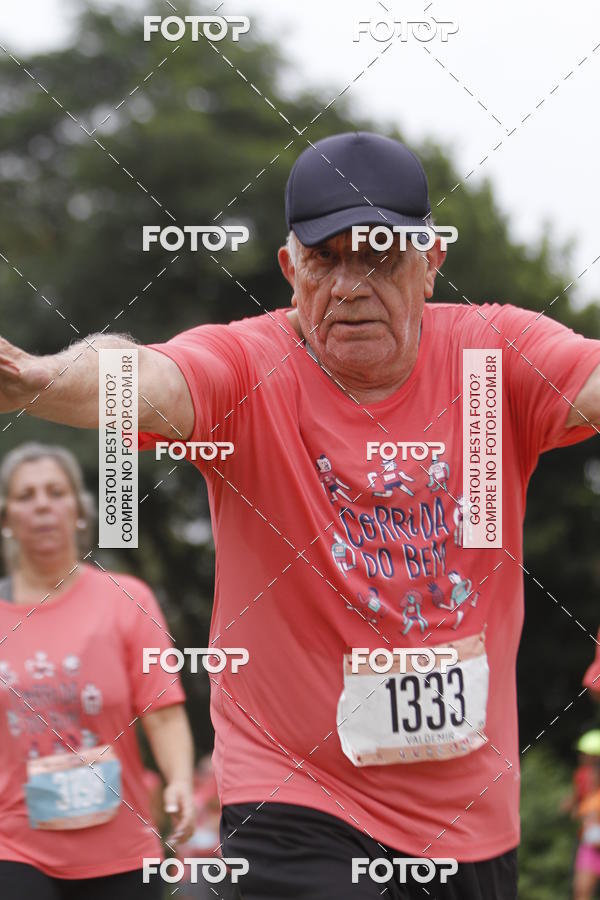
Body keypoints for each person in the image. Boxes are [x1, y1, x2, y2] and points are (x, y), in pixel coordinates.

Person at [0, 131, 599, 898]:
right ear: (291, 270)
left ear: (430, 264)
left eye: (379, 256)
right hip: (295, 795)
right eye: (326, 258)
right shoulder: (251, 369)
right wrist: (37, 380)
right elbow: (141, 375)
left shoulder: (491, 360)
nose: (350, 284)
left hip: (470, 817)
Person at [0, 443, 195, 899]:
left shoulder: (128, 599)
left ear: (80, 510)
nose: (43, 504)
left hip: (121, 847)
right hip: (14, 845)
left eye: (56, 491)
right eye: (26, 496)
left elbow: (162, 709)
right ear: (6, 519)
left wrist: (181, 781)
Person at [563, 731, 600, 900]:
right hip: (590, 845)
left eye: (586, 755)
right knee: (581, 892)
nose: (582, 759)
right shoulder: (581, 776)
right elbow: (575, 807)